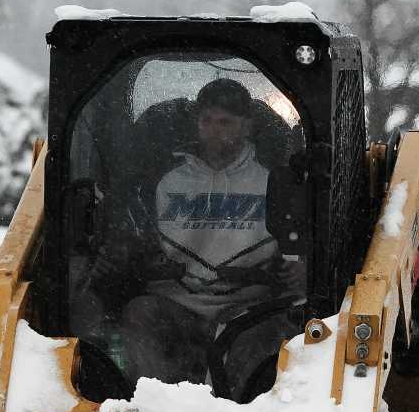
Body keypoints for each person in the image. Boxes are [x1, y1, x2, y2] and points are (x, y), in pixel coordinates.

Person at [112, 78, 305, 394]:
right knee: (141, 313)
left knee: (265, 338)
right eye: (207, 121)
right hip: (177, 306)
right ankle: (153, 410)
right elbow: (134, 237)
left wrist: (298, 268)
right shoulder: (163, 181)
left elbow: (299, 246)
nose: (215, 130)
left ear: (247, 126)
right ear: (196, 124)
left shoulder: (275, 183)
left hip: (248, 309)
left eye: (226, 122)